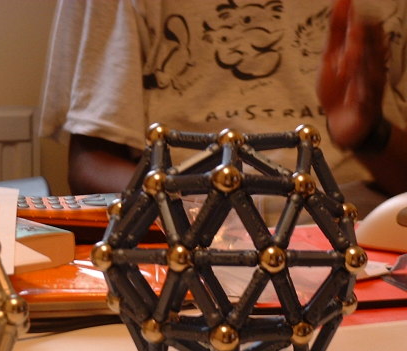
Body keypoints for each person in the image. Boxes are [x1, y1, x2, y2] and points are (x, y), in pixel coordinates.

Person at [39, 0, 407, 220]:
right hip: (187, 235)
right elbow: (89, 167)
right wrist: (209, 209)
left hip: (367, 235)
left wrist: (369, 136)